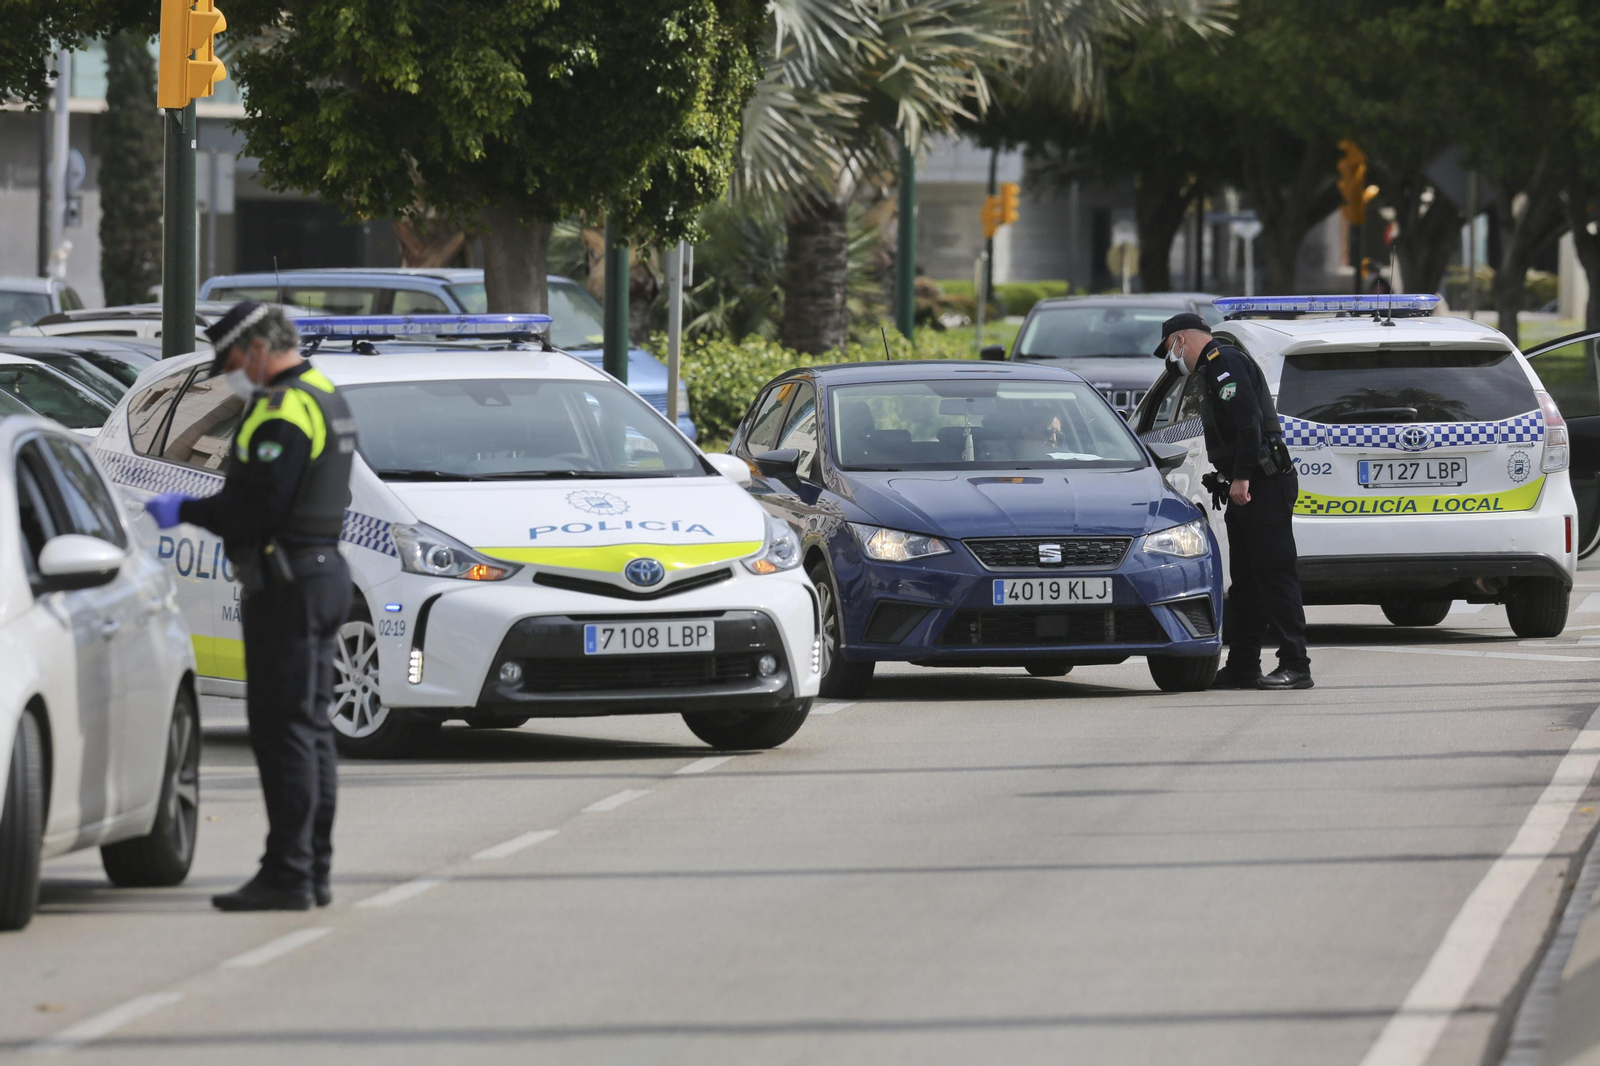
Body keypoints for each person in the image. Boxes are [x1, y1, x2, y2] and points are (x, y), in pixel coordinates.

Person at [144, 302, 358, 910]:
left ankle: (288, 873)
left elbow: (252, 510)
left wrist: (183, 508)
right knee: (310, 731)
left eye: (233, 361)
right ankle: (311, 869)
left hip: (286, 584)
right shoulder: (326, 394)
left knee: (283, 733)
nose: (231, 373)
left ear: (259, 349)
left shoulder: (281, 409)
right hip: (321, 575)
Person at [1156, 313, 1312, 691]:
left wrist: (1242, 476)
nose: (1172, 359)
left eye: (1170, 350)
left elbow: (1248, 423)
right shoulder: (1213, 370)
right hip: (1246, 487)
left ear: (1181, 340)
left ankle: (1296, 664)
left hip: (1262, 484)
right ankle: (1243, 664)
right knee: (1246, 582)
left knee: (1275, 574)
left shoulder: (1224, 362)